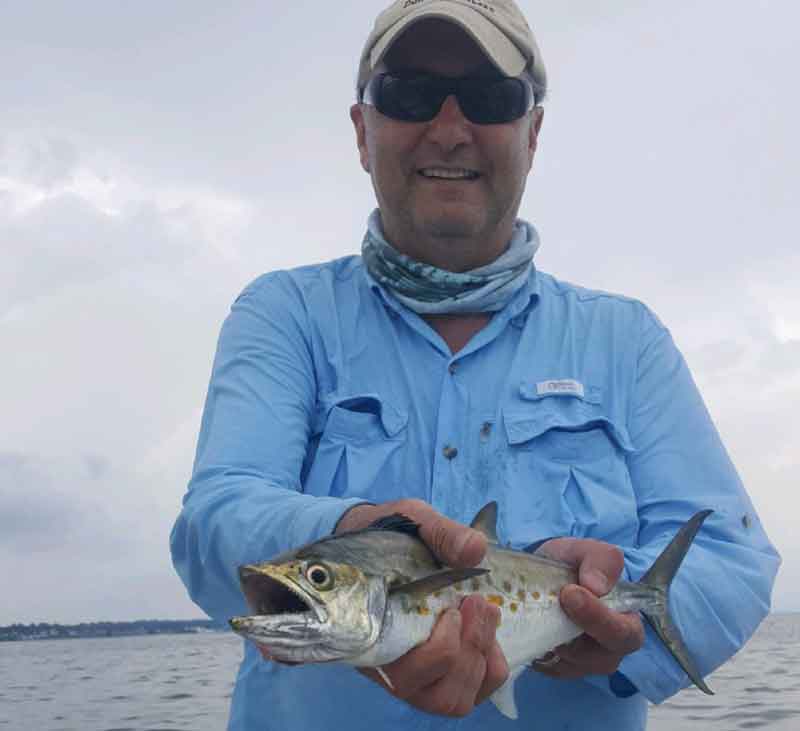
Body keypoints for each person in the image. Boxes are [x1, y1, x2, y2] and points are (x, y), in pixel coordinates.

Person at [170, 1, 780, 729]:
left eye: (491, 98)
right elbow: (214, 525)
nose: (451, 127)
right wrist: (364, 529)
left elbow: (731, 555)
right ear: (363, 132)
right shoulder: (285, 315)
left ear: (534, 131)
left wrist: (621, 631)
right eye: (410, 94)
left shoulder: (626, 339)